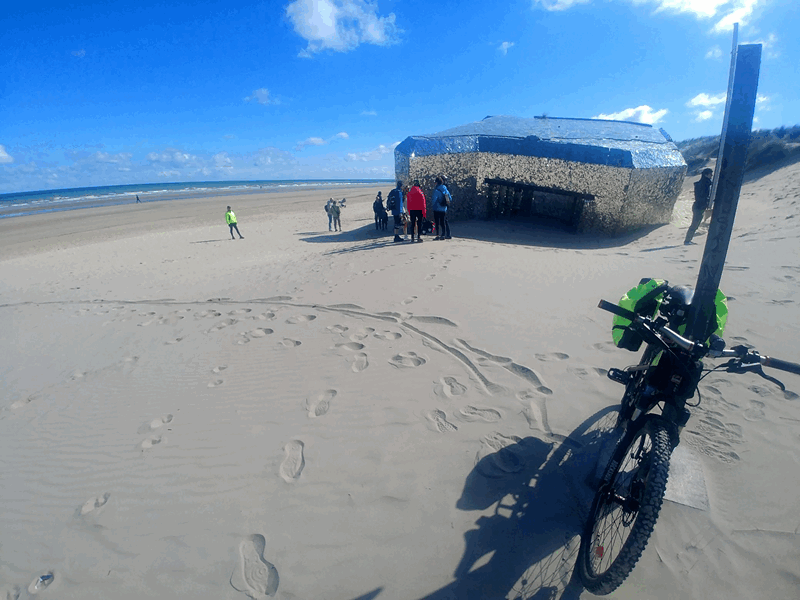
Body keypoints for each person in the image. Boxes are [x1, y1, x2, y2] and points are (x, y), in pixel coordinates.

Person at [684, 167, 713, 245]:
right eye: (710, 174)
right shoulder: (705, 183)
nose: (711, 176)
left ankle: (688, 240)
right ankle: (687, 240)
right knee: (695, 224)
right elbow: (702, 195)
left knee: (696, 224)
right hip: (699, 207)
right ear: (706, 175)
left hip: (700, 206)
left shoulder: (704, 183)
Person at [431, 175, 452, 240]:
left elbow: (434, 199)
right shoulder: (445, 189)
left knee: (437, 222)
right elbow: (450, 198)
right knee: (443, 222)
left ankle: (437, 235)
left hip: (437, 208)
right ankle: (443, 235)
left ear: (436, 183)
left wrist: (433, 205)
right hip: (444, 208)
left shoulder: (436, 190)